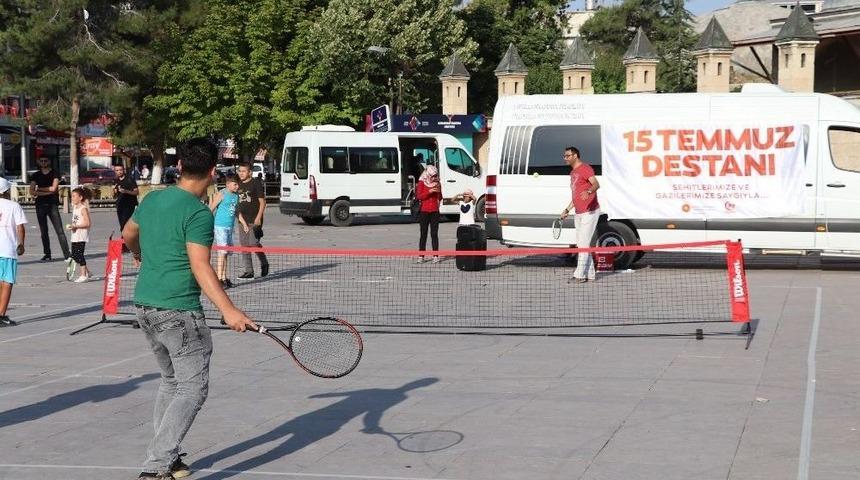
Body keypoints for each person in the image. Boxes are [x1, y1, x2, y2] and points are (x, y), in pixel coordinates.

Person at [122, 138, 257, 480]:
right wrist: (229, 310)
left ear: (179, 166)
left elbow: (128, 233)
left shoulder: (152, 199)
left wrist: (139, 252)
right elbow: (201, 266)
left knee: (171, 382)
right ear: (213, 172)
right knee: (193, 389)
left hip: (145, 305)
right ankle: (155, 468)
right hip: (178, 311)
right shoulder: (197, 213)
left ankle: (169, 459)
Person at [559, 146, 601, 283]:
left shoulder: (585, 168)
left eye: (567, 155)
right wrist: (567, 210)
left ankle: (579, 275)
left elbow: (596, 184)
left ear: (575, 155)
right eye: (564, 156)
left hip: (590, 211)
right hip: (578, 212)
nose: (565, 158)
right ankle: (590, 274)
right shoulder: (572, 173)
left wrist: (589, 192)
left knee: (583, 243)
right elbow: (576, 196)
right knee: (583, 243)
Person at [208, 174, 247, 289]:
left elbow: (237, 212)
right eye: (235, 184)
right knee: (221, 252)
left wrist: (244, 223)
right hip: (220, 226)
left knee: (226, 253)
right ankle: (219, 279)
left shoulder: (236, 196)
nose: (237, 186)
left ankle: (224, 277)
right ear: (228, 184)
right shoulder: (222, 194)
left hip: (230, 227)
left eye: (238, 184)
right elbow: (211, 208)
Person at [30, 157, 71, 261]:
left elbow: (54, 188)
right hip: (40, 205)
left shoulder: (54, 173)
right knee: (44, 231)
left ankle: (67, 255)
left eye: (45, 160)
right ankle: (47, 254)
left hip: (52, 204)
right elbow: (31, 191)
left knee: (59, 230)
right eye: (41, 160)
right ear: (38, 162)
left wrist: (39, 189)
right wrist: (48, 191)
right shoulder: (35, 175)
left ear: (49, 161)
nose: (43, 162)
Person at [0, 178, 27, 327]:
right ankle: (1, 315)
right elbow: (20, 228)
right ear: (5, 191)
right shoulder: (13, 206)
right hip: (7, 249)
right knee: (7, 282)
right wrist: (21, 243)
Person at [235, 162, 269, 278]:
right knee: (244, 245)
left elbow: (262, 202)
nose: (241, 173)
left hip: (254, 218)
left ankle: (264, 263)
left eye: (243, 171)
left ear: (249, 172)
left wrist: (259, 217)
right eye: (240, 171)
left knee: (253, 243)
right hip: (242, 220)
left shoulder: (255, 183)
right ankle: (249, 271)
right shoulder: (238, 184)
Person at [415, 165, 442, 263]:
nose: (434, 178)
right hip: (424, 211)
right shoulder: (422, 182)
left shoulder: (437, 183)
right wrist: (430, 191)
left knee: (434, 234)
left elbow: (440, 197)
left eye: (436, 176)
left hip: (435, 211)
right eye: (433, 176)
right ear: (428, 174)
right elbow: (419, 196)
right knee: (423, 234)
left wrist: (438, 191)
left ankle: (435, 255)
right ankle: (421, 255)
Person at [67, 187, 93, 282]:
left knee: (79, 255)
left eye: (74, 196)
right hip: (75, 235)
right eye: (72, 196)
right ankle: (88, 272)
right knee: (75, 255)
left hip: (81, 235)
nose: (72, 198)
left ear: (80, 197)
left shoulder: (83, 209)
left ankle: (83, 275)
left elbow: (87, 223)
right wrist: (72, 226)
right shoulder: (75, 208)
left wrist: (76, 226)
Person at [114, 164, 140, 233]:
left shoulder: (129, 179)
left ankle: (127, 240)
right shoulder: (116, 180)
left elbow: (136, 192)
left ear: (123, 170)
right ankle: (124, 240)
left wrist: (126, 191)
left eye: (120, 170)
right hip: (120, 205)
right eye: (117, 170)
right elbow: (115, 195)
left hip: (129, 205)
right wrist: (114, 190)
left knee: (127, 224)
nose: (119, 172)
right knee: (122, 224)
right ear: (115, 171)